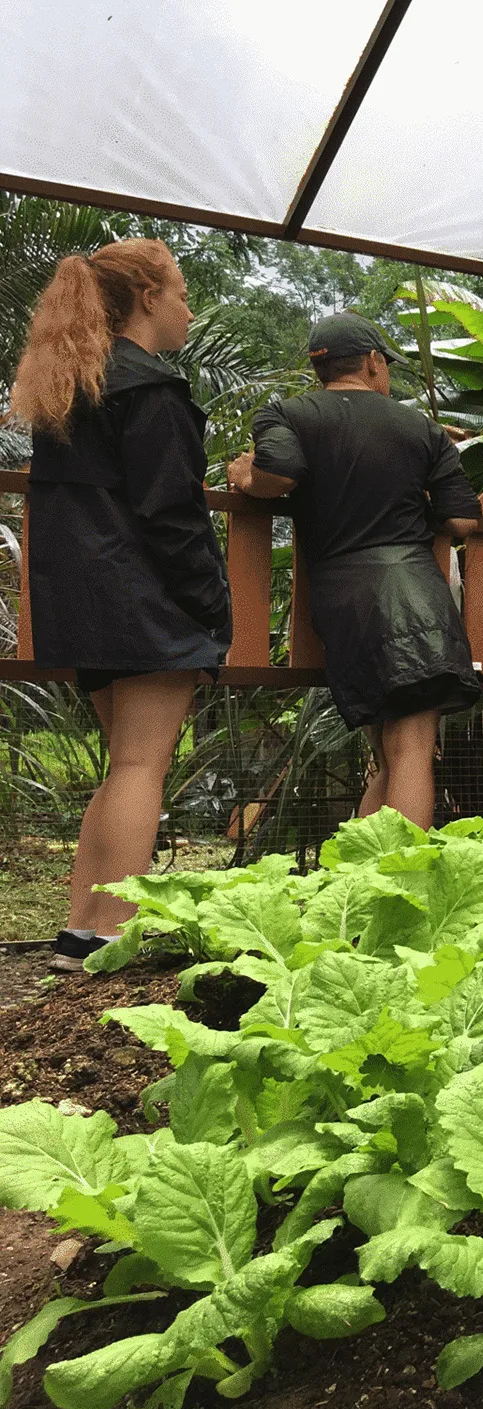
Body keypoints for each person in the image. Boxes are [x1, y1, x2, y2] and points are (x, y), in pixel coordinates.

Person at [9, 239, 230, 960]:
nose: (189, 310)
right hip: (142, 602)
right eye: (183, 294)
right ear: (146, 297)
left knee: (123, 764)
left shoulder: (75, 387)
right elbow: (172, 516)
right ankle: (113, 937)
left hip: (83, 602)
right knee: (142, 766)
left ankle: (83, 928)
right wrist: (209, 608)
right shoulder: (148, 389)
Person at [227, 313, 482, 830]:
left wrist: (243, 472)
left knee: (387, 759)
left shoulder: (285, 414)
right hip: (412, 592)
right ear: (372, 362)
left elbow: (276, 474)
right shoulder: (424, 429)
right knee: (410, 748)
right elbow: (462, 521)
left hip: (341, 597)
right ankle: (402, 886)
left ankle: (355, 881)